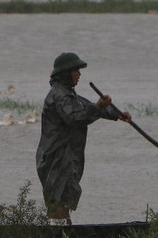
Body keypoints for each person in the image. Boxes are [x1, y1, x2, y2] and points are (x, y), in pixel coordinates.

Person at [35, 52, 131, 223]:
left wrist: (116, 114)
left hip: (67, 156)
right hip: (56, 157)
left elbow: (87, 109)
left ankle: (65, 237)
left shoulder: (70, 95)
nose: (79, 75)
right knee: (58, 198)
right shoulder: (59, 95)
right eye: (76, 71)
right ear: (66, 73)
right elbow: (75, 118)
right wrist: (98, 107)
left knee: (66, 196)